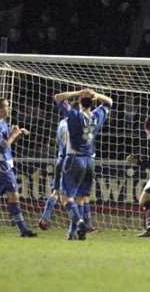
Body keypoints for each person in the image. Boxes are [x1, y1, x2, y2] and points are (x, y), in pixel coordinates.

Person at [54, 89, 112, 240]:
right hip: (89, 162)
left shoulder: (74, 115)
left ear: (80, 102)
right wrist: (96, 95)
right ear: (92, 103)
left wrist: (79, 92)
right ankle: (74, 234)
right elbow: (109, 102)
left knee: (65, 198)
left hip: (74, 159)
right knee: (80, 198)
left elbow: (58, 98)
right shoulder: (97, 116)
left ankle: (80, 223)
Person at [0, 98, 37, 237]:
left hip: (1, 164)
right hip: (1, 164)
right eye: (6, 106)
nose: (8, 108)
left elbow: (6, 137)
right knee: (14, 195)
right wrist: (14, 135)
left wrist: (18, 131)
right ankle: (24, 230)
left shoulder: (1, 123)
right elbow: (2, 146)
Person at [38, 117, 68, 230]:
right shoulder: (75, 122)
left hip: (60, 159)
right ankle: (80, 223)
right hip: (70, 160)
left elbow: (58, 141)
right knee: (73, 195)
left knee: (56, 192)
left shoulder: (61, 123)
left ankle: (44, 218)